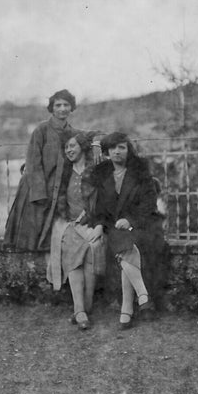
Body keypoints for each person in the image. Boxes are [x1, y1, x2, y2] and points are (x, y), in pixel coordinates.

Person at [84, 132, 167, 329]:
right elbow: (100, 208)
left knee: (125, 245)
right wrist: (98, 224)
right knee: (122, 242)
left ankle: (128, 307)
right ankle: (140, 297)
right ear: (107, 152)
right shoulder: (103, 174)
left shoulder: (140, 171)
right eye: (113, 148)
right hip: (116, 227)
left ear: (128, 150)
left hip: (143, 222)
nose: (117, 152)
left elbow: (149, 203)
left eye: (122, 147)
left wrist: (129, 219)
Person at [4, 89, 78, 251]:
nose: (62, 109)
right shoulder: (41, 130)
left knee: (51, 235)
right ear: (51, 108)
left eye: (66, 105)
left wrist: (96, 144)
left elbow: (88, 139)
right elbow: (33, 162)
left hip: (58, 192)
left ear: (72, 108)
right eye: (58, 105)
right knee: (25, 236)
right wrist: (39, 194)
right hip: (35, 189)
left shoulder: (72, 133)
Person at [47, 132, 106, 330]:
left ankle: (85, 308)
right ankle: (80, 310)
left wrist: (97, 142)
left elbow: (106, 201)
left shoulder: (95, 170)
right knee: (72, 247)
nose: (69, 150)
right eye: (66, 148)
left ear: (82, 146)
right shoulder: (64, 173)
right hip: (69, 224)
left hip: (92, 223)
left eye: (73, 146)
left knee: (93, 247)